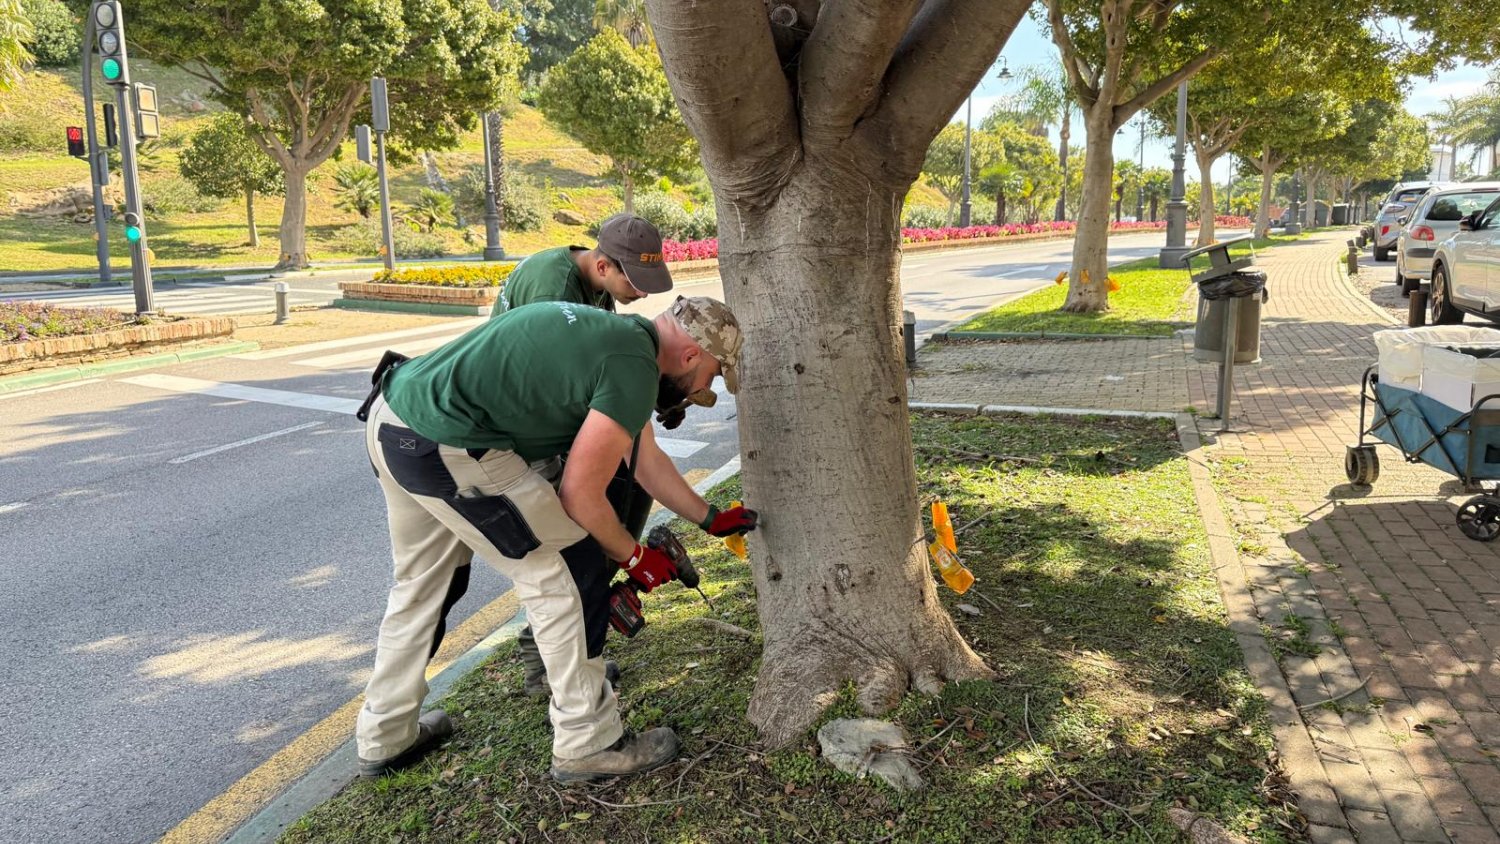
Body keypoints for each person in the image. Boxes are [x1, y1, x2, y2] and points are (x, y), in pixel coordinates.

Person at [355, 296, 758, 783]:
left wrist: (710, 518)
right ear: (691, 356)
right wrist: (633, 557)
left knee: (423, 587)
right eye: (710, 378)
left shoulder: (619, 338)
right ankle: (588, 741)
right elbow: (581, 497)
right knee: (567, 574)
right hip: (448, 444)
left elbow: (644, 460)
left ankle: (386, 735)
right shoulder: (631, 369)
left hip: (395, 417)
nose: (700, 392)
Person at [496, 214, 673, 315]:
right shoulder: (556, 294)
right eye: (634, 281)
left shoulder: (596, 273)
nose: (643, 294)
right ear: (603, 267)